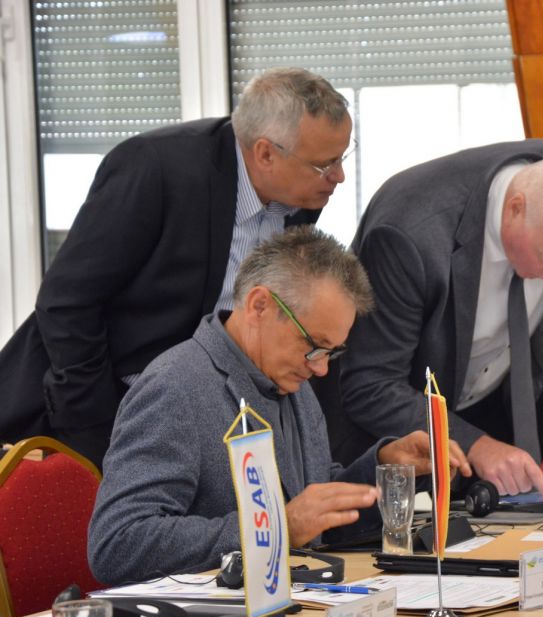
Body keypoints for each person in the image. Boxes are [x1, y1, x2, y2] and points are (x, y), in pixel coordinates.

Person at [0, 68, 355, 468]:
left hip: (208, 413)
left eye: (342, 157)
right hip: (105, 407)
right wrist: (96, 435)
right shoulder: (157, 169)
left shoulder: (301, 193)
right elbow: (67, 302)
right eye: (325, 164)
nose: (339, 176)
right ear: (266, 154)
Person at [87, 226, 470, 584]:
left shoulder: (290, 379)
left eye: (332, 353)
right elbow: (118, 543)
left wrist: (386, 468)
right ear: (259, 306)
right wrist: (271, 528)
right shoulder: (174, 387)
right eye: (314, 346)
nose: (321, 368)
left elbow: (309, 511)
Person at [332, 140, 543, 498]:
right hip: (394, 442)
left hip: (498, 424)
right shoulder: (410, 233)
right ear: (515, 208)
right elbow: (371, 382)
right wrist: (475, 444)